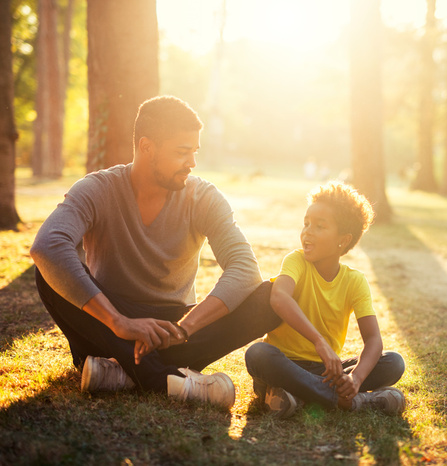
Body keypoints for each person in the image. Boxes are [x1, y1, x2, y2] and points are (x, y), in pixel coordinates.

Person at [30, 95, 281, 409]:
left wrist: (184, 328)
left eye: (194, 152)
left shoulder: (203, 197)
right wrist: (120, 323)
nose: (191, 162)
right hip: (107, 325)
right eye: (181, 152)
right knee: (46, 270)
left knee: (272, 296)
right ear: (146, 147)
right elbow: (47, 245)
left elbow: (245, 269)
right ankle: (165, 380)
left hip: (173, 330)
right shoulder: (98, 189)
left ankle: (122, 372)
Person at [244, 181, 406, 418]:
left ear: (343, 239)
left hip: (327, 371)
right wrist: (319, 342)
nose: (307, 231)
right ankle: (354, 402)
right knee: (257, 354)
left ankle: (298, 397)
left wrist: (356, 378)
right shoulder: (296, 261)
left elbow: (373, 340)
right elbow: (279, 298)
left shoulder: (355, 281)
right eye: (306, 223)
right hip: (283, 365)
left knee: (393, 362)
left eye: (320, 226)